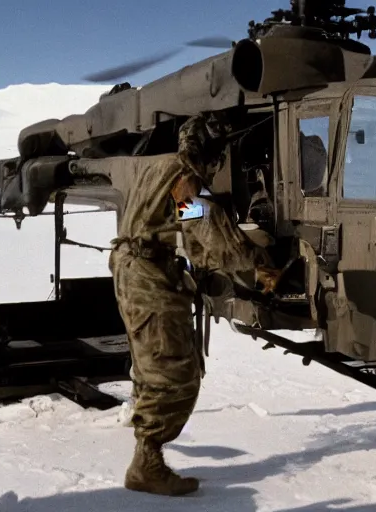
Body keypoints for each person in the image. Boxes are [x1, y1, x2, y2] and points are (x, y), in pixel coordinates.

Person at [108, 110, 278, 496]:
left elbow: (185, 226)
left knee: (154, 363)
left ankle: (146, 448)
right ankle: (146, 463)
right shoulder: (185, 181)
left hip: (138, 268)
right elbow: (204, 225)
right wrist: (257, 264)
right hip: (147, 275)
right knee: (175, 372)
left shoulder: (162, 166)